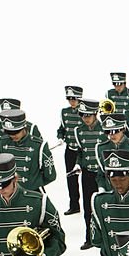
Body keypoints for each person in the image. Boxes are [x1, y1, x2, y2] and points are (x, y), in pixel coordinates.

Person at [70, 99, 104, 250]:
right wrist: (78, 164)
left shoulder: (105, 128)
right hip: (88, 174)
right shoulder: (78, 131)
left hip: (104, 174)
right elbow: (80, 152)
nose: (86, 118)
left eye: (88, 115)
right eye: (83, 115)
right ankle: (90, 237)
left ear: (95, 114)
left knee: (105, 204)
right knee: (88, 206)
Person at [57, 86, 84, 214]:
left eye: (74, 99)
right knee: (71, 178)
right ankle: (74, 205)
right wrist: (60, 137)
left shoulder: (85, 111)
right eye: (69, 99)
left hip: (83, 151)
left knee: (88, 179)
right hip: (70, 150)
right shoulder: (64, 112)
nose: (72, 102)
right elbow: (61, 128)